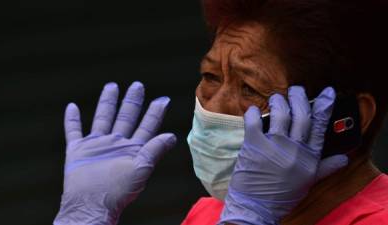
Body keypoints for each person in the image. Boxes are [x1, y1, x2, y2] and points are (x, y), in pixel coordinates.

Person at [53, 0, 388, 224]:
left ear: (346, 119)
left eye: (250, 89)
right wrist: (83, 216)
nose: (214, 106)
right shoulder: (212, 213)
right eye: (211, 77)